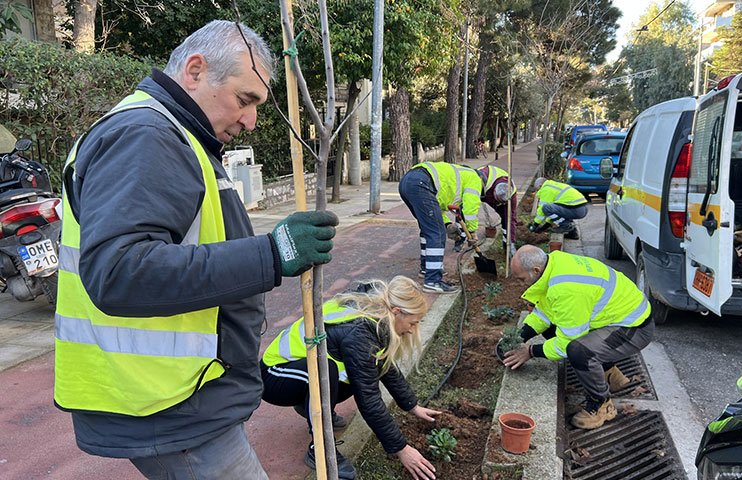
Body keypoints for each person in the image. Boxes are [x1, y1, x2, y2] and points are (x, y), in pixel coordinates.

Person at [53, 20, 339, 479]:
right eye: (245, 100)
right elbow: (120, 271)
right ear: (195, 70)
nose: (251, 121)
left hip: (178, 399)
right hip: (166, 405)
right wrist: (271, 253)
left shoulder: (179, 137)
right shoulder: (146, 135)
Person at [261, 276, 441, 480]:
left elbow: (384, 366)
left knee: (357, 373)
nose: (412, 329)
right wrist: (401, 449)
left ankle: (310, 406)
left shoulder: (377, 318)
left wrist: (412, 405)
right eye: (413, 323)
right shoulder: (360, 333)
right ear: (397, 312)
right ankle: (319, 448)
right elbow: (369, 399)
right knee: (328, 371)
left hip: (303, 373)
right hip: (275, 375)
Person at [502, 245, 654, 430]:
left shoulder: (566, 289)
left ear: (535, 270)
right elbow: (547, 312)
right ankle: (612, 377)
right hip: (616, 318)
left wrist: (531, 351)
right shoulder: (555, 264)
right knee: (559, 330)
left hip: (634, 328)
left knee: (579, 351)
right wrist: (520, 336)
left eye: (521, 279)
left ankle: (601, 405)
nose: (521, 283)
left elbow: (566, 344)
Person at [398, 161, 483, 293]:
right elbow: (470, 210)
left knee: (428, 229)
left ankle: (426, 269)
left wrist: (447, 224)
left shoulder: (455, 176)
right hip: (421, 183)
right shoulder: (474, 179)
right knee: (436, 233)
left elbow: (435, 205)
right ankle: (433, 281)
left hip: (407, 182)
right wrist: (472, 232)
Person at [475, 164, 517, 254]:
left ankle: (508, 244)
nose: (499, 204)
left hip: (494, 195)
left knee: (507, 219)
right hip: (482, 190)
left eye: (501, 202)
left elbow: (511, 218)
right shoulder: (481, 180)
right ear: (494, 192)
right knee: (467, 211)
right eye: (497, 201)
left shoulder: (511, 195)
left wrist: (511, 243)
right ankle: (460, 237)